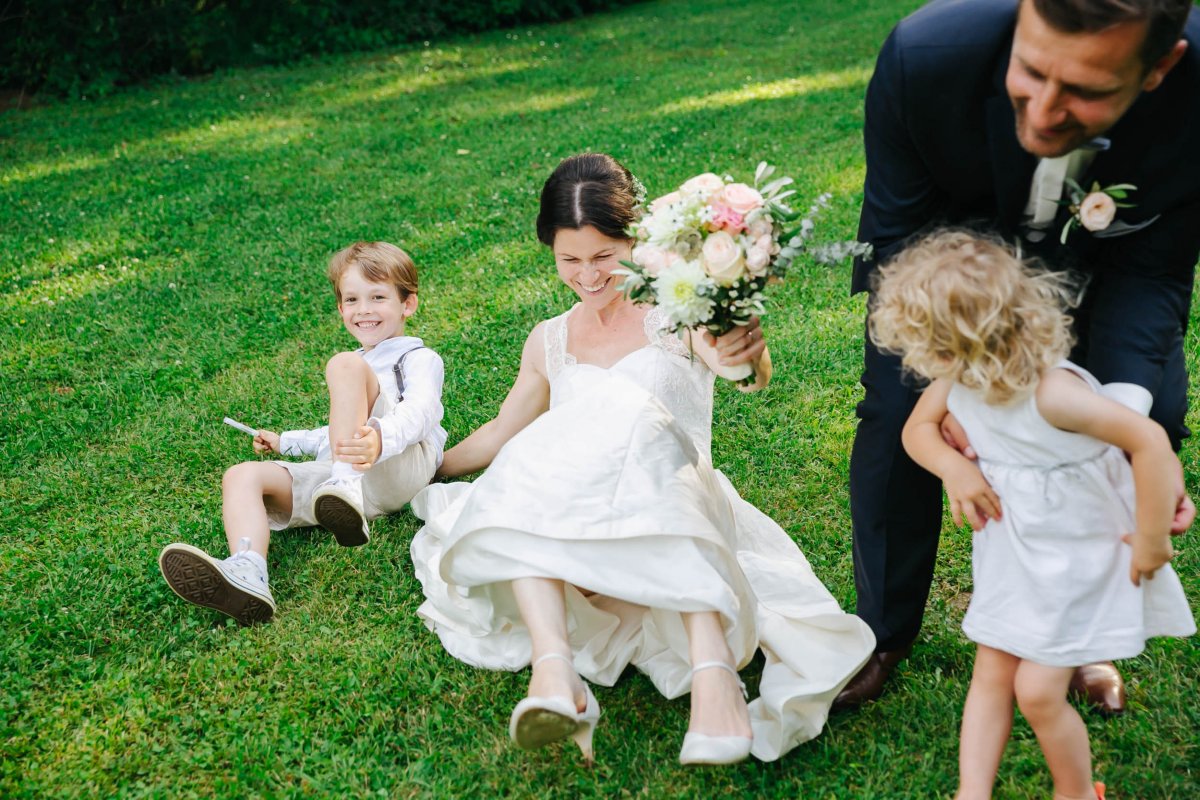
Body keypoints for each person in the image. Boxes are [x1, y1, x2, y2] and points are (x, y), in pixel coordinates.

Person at [408, 153, 875, 764]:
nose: (588, 275)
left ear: (637, 242)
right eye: (568, 260)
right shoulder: (549, 338)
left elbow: (743, 373)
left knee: (630, 415)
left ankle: (715, 679)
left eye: (603, 256)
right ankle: (556, 676)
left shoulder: (676, 314)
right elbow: (501, 432)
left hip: (678, 511)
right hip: (576, 535)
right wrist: (427, 467)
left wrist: (744, 349)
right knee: (541, 448)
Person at [842, 0, 1200, 712]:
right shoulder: (926, 57)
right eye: (1031, 72)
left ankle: (1082, 634)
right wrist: (957, 367)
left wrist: (1113, 418)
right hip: (951, 280)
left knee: (1149, 409)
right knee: (894, 416)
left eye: (1088, 91)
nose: (1042, 113)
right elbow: (897, 237)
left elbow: (1155, 268)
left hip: (1106, 267)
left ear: (1159, 68)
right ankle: (881, 632)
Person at [869, 231, 1194, 800]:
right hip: (1015, 547)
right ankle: (974, 792)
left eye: (933, 351)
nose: (926, 365)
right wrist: (955, 468)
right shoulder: (960, 376)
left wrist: (1151, 540)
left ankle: (1075, 792)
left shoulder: (1052, 394)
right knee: (992, 670)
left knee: (1039, 691)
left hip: (1078, 551)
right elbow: (916, 431)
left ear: (977, 341)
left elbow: (1147, 441)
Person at [159, 241, 446, 624]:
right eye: (352, 300)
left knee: (344, 366)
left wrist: (379, 438)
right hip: (353, 481)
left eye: (378, 297)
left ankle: (344, 489)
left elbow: (421, 412)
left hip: (398, 466)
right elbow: (337, 434)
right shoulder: (356, 364)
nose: (363, 310)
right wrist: (286, 441)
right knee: (242, 476)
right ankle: (249, 570)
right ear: (340, 308)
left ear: (407, 304)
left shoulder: (417, 357)